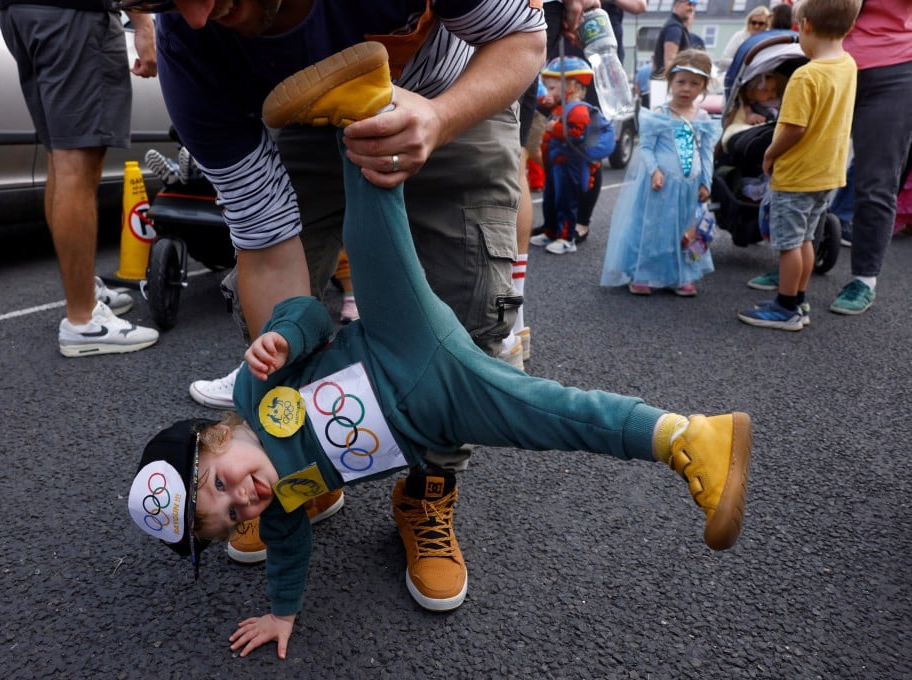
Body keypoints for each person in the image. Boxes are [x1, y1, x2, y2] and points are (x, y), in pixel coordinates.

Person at [127, 51, 753, 659]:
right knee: (557, 417)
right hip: (439, 413)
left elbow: (314, 317)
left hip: (398, 342)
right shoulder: (284, 506)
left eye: (221, 483)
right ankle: (688, 438)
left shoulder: (252, 393)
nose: (245, 498)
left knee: (372, 239)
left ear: (214, 438)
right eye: (232, 513)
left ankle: (359, 108)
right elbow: (289, 556)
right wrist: (282, 614)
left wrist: (283, 335)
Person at [119, 0, 552, 612]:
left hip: (452, 86)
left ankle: (427, 488)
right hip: (307, 116)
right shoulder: (193, 56)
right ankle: (306, 473)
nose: (191, 18)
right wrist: (288, 409)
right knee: (269, 329)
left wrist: (438, 117)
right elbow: (268, 248)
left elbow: (522, 38)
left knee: (472, 323)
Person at [0, 1, 160, 357]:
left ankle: (83, 292)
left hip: (17, 12)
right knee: (76, 162)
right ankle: (84, 320)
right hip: (75, 14)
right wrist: (145, 26)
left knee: (60, 156)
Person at [737, 0, 860, 331]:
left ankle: (786, 307)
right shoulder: (848, 64)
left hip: (797, 174)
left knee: (790, 244)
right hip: (826, 173)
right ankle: (797, 299)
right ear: (849, 28)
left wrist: (770, 153)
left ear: (804, 26)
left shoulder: (806, 75)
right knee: (805, 239)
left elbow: (794, 128)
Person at [601, 49, 718, 296]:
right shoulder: (659, 115)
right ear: (670, 82)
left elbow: (706, 153)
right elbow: (646, 146)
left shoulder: (704, 117)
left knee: (684, 230)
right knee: (653, 228)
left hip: (688, 186)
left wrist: (706, 182)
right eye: (681, 82)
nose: (686, 88)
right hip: (661, 184)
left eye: (695, 84)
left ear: (704, 86)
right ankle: (644, 273)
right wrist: (654, 170)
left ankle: (680, 275)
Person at [828, 1, 912, 316]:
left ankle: (864, 279)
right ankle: (793, 261)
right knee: (805, 168)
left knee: (876, 180)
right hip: (830, 61)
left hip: (894, 68)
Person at [530, 58, 608, 254]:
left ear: (571, 86)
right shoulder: (559, 106)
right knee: (551, 198)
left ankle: (566, 238)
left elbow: (577, 133)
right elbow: (538, 104)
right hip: (554, 163)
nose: (548, 93)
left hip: (567, 164)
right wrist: (546, 99)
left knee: (566, 201)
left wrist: (554, 127)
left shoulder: (578, 109)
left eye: (552, 88)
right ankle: (551, 230)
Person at [717, 5, 771, 73]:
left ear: (766, 25)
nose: (756, 26)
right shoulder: (739, 36)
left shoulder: (768, 39)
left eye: (761, 23)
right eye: (754, 22)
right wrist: (743, 64)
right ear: (749, 22)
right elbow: (723, 60)